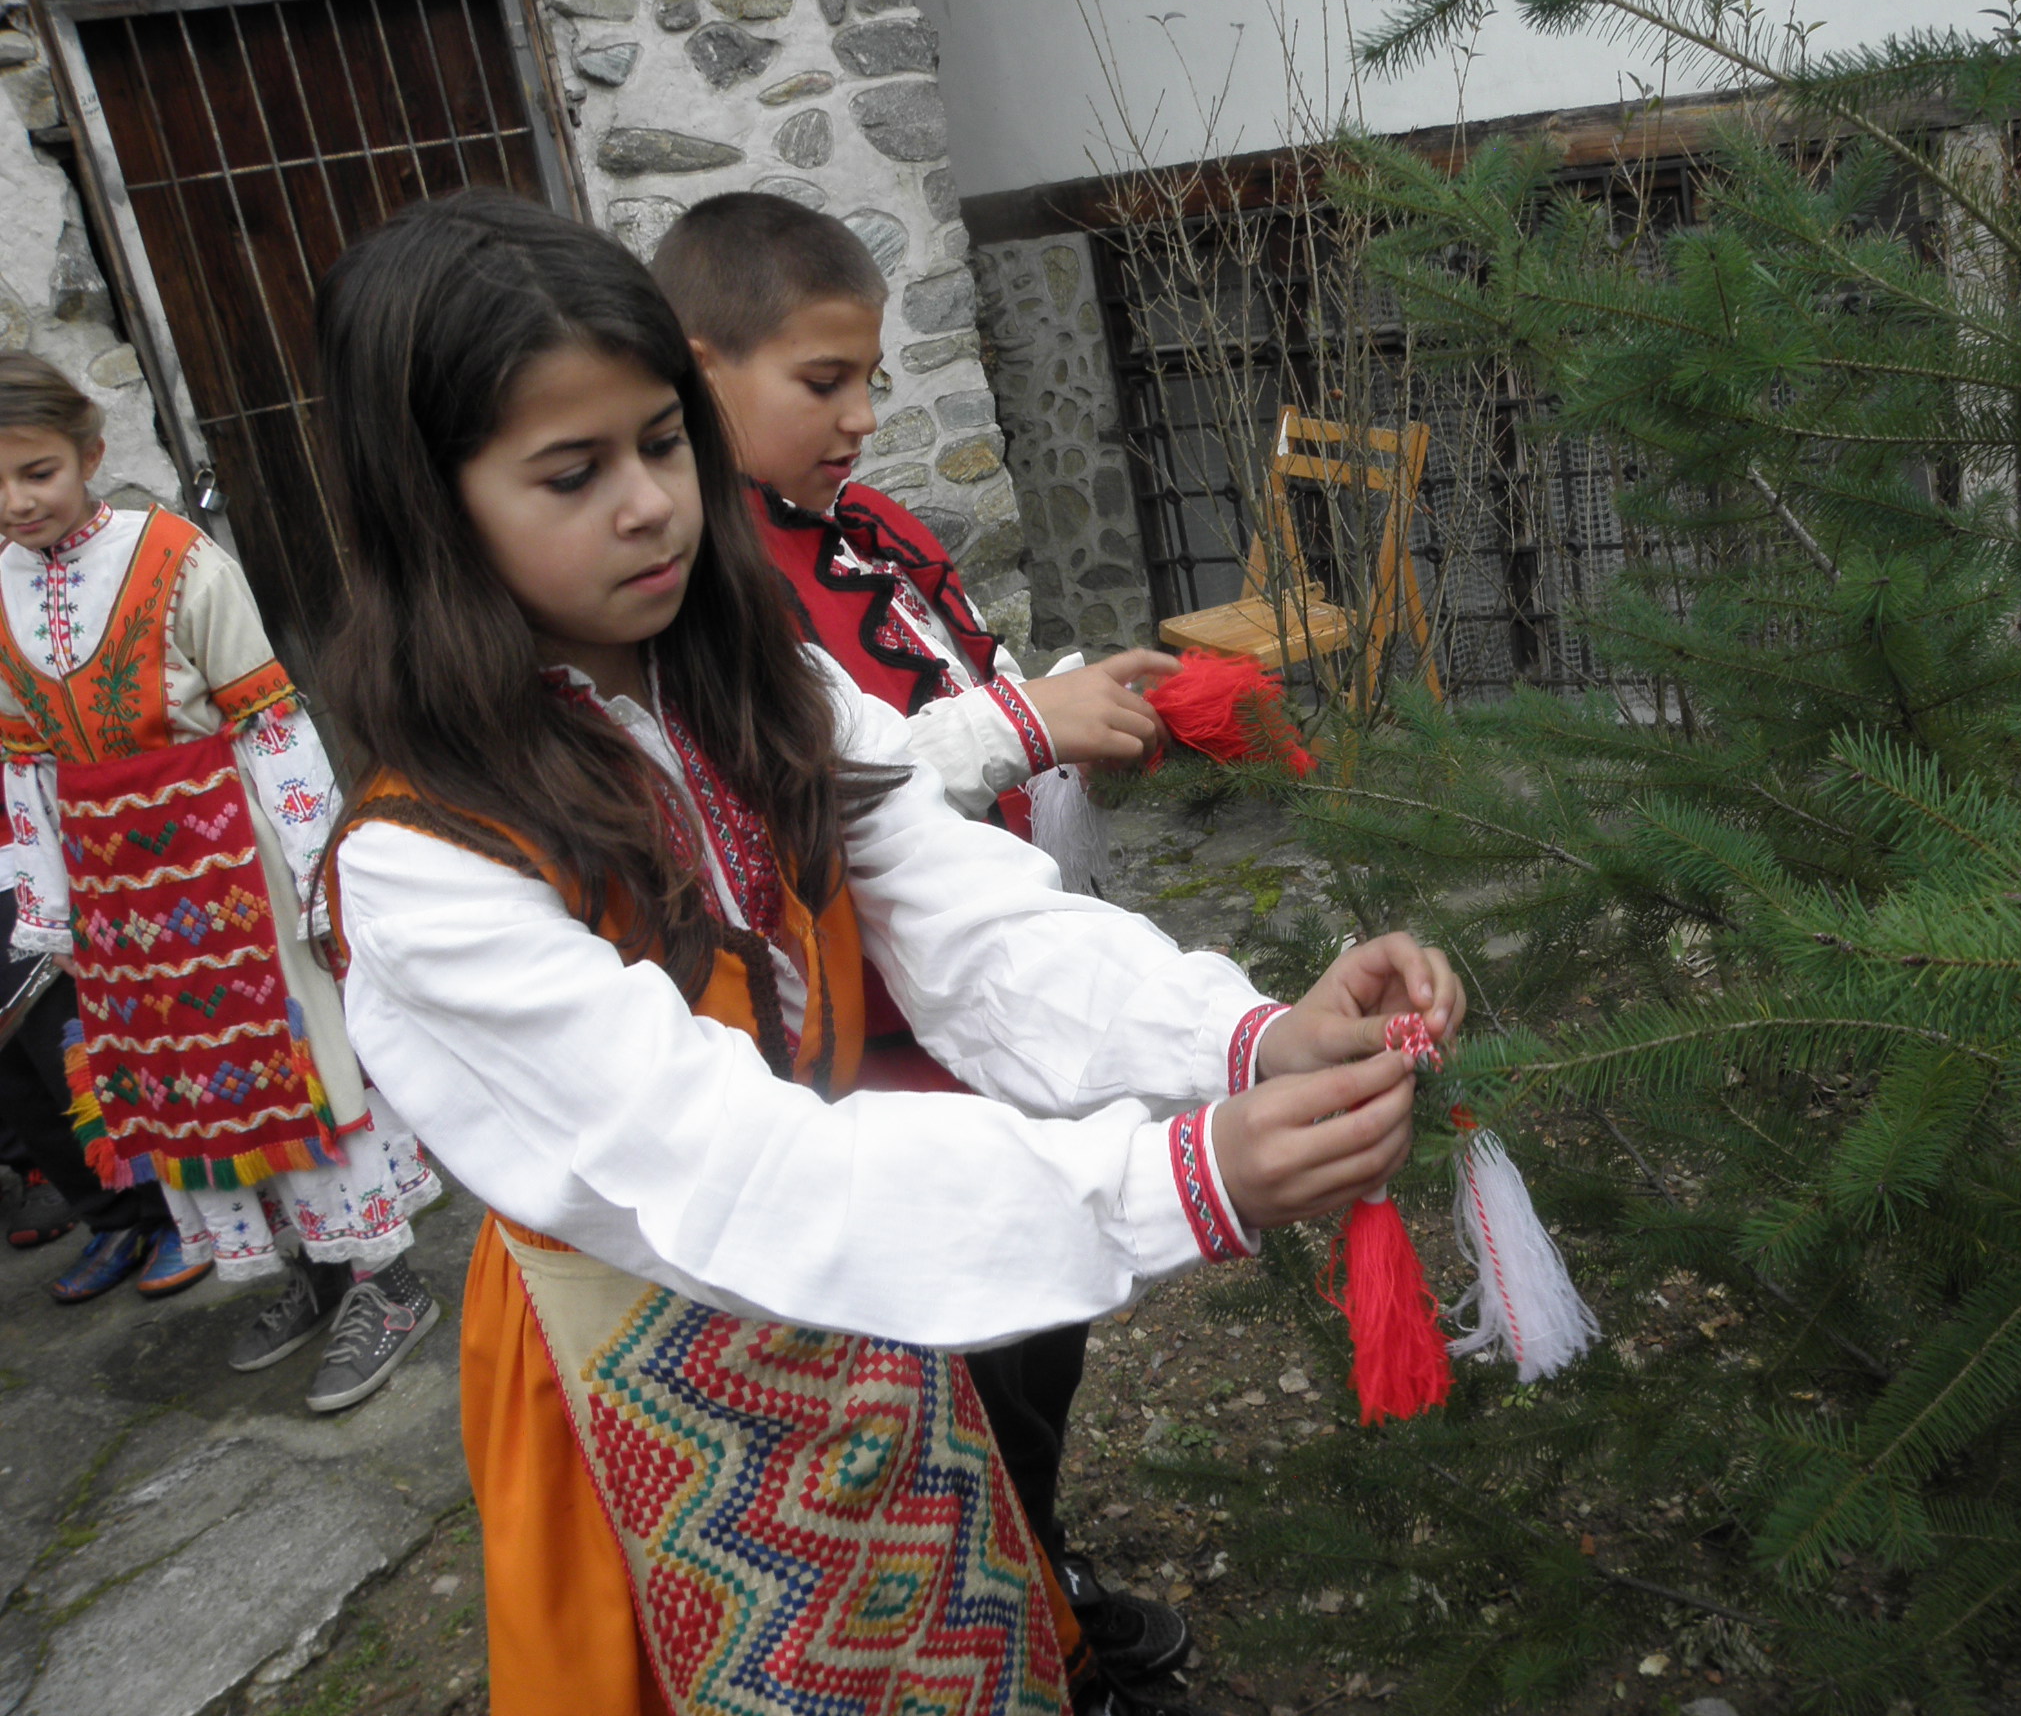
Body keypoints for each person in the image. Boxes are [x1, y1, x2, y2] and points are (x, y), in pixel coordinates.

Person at [313, 189, 1456, 1716]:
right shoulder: (423, 871)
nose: (649, 504)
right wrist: (1188, 1174)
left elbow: (962, 916)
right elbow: (728, 1169)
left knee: (943, 1641)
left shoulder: (756, 679)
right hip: (647, 1365)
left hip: (871, 1283)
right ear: (427, 509)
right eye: (571, 473)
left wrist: (1244, 1042)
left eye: (661, 444)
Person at [652, 191, 1193, 1684]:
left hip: (992, 998)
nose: (863, 417)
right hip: (881, 1053)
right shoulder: (704, 589)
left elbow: (978, 699)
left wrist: (1086, 716)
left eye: (871, 379)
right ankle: (1004, 1636)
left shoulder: (873, 534)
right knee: (955, 1362)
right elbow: (806, 790)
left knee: (1040, 1333)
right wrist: (1021, 725)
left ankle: (1039, 1579)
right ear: (700, 374)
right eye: (824, 383)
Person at [0, 353, 441, 1406]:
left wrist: (316, 870)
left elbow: (269, 718)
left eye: (36, 471)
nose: (15, 501)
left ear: (91, 458)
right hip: (117, 899)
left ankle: (385, 1280)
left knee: (298, 1064)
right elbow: (20, 764)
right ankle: (309, 1268)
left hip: (231, 866)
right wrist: (44, 903)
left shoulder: (177, 560)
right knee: (191, 1093)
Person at [0, 894, 192, 1300]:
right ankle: (113, 1220)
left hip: (20, 871)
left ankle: (176, 1217)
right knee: (18, 1086)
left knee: (75, 1060)